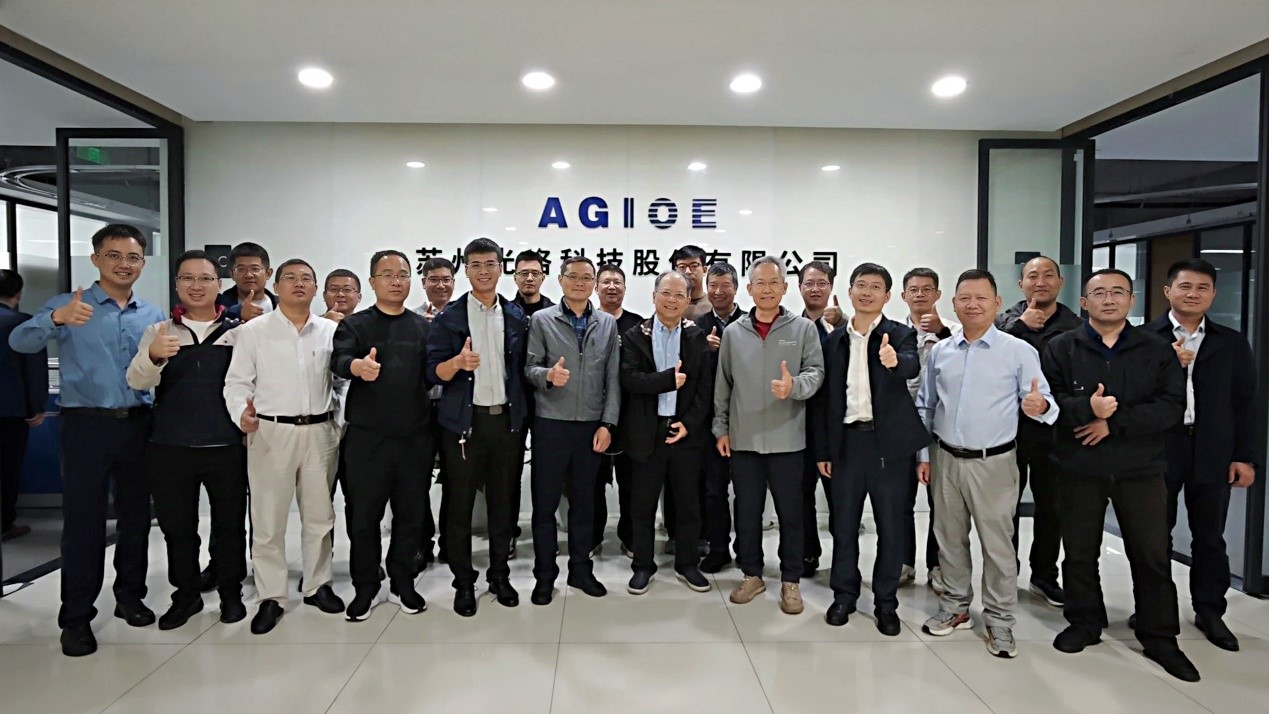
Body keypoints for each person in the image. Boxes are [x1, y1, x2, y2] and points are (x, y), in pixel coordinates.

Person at [10, 224, 165, 657]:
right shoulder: (69, 305)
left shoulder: (152, 314)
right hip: (85, 427)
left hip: (139, 424)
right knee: (84, 523)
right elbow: (20, 341)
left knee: (136, 518)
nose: (123, 264)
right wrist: (55, 319)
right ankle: (76, 617)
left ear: (142, 263)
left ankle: (129, 597)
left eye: (132, 257)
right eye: (113, 255)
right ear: (96, 259)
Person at [1042, 268, 1198, 682]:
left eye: (1117, 292)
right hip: (1078, 467)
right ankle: (1084, 622)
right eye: (1099, 293)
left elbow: (1171, 406)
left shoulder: (1156, 348)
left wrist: (1114, 423)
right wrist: (1087, 410)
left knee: (1151, 554)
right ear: (1084, 302)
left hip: (1140, 468)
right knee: (1079, 552)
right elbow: (1049, 402)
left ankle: (1159, 635)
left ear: (1132, 300)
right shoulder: (1062, 347)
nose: (1108, 300)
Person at [916, 269, 1057, 660]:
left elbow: (1044, 401)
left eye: (981, 298)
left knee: (997, 546)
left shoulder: (1017, 351)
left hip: (993, 462)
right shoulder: (941, 351)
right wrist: (924, 456)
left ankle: (1000, 619)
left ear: (997, 303)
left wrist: (1040, 406)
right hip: (945, 458)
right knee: (949, 539)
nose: (972, 305)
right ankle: (955, 605)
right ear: (954, 304)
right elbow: (926, 405)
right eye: (964, 298)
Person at [126, 250, 247, 629]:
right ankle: (187, 595)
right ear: (177, 284)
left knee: (229, 526)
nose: (197, 286)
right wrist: (153, 356)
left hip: (227, 446)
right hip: (170, 446)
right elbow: (137, 381)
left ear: (219, 285)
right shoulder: (160, 332)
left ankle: (231, 592)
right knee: (178, 529)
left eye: (205, 278)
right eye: (188, 278)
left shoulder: (239, 332)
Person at [223, 258, 344, 635]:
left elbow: (342, 382)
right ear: (276, 286)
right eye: (290, 278)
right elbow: (236, 383)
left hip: (320, 431)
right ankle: (271, 596)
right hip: (270, 432)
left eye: (307, 278)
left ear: (316, 288)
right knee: (268, 519)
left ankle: (318, 585)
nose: (298, 283)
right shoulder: (254, 331)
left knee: (320, 515)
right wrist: (240, 414)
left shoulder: (331, 331)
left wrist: (339, 422)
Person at [1145, 259, 1258, 652]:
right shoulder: (1145, 339)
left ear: (1212, 294)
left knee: (1209, 537)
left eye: (1202, 287)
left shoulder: (1231, 342)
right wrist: (1168, 365)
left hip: (1213, 449)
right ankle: (1155, 611)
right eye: (1185, 286)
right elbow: (1133, 394)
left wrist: (1245, 457)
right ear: (1168, 291)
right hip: (1160, 449)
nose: (1193, 294)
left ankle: (1210, 611)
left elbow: (1246, 403)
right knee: (1153, 536)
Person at [813, 263, 926, 635]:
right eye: (860, 285)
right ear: (849, 292)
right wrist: (824, 451)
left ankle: (886, 603)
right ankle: (844, 595)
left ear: (887, 296)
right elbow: (824, 400)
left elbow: (910, 365)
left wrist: (895, 362)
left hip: (889, 446)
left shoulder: (901, 334)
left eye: (875, 287)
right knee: (844, 526)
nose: (866, 292)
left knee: (891, 528)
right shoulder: (833, 341)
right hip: (847, 443)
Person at [714, 255, 824, 615]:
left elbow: (816, 373)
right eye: (759, 283)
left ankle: (791, 580)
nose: (767, 289)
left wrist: (794, 387)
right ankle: (752, 574)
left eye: (773, 282)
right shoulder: (734, 333)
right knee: (746, 512)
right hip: (744, 439)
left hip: (787, 439)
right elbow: (723, 385)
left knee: (792, 513)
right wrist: (721, 428)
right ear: (749, 289)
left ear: (785, 287)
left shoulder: (803, 329)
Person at [426, 238, 528, 617]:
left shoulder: (516, 316)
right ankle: (464, 582)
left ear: (501, 268)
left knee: (503, 505)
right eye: (475, 265)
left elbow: (523, 371)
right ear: (465, 270)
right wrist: (456, 364)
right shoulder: (449, 318)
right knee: (460, 507)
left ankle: (499, 575)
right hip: (463, 427)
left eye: (490, 264)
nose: (483, 272)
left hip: (505, 424)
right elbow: (431, 371)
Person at [332, 250, 431, 620]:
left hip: (414, 438)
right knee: (363, 518)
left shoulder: (423, 328)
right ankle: (366, 586)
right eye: (387, 274)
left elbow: (433, 374)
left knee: (411, 515)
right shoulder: (355, 325)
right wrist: (357, 366)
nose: (396, 281)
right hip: (367, 439)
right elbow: (338, 360)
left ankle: (403, 582)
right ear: (372, 282)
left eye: (402, 274)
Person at [525, 255, 621, 604]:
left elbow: (612, 379)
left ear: (594, 283)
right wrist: (548, 376)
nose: (580, 282)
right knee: (545, 506)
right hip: (551, 424)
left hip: (590, 427)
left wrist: (608, 423)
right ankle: (544, 576)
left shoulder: (606, 324)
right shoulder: (542, 320)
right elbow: (529, 369)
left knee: (584, 504)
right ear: (561, 280)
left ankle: (581, 570)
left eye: (586, 277)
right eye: (573, 276)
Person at [995, 255, 1082, 608]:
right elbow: (989, 357)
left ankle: (1044, 576)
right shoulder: (1003, 322)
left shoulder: (1075, 325)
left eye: (1048, 275)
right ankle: (1006, 575)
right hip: (1009, 431)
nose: (1040, 282)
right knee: (1005, 509)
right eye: (1033, 276)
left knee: (1052, 508)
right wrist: (1021, 327)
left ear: (1061, 282)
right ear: (1021, 284)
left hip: (1055, 431)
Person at [621, 271, 714, 594]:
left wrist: (689, 423)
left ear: (688, 300)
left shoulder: (696, 337)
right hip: (646, 432)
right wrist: (666, 381)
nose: (671, 300)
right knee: (642, 506)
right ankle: (642, 566)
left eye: (679, 295)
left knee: (688, 504)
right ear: (654, 296)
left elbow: (705, 388)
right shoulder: (635, 335)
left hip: (685, 432)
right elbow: (629, 379)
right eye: (666, 293)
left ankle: (688, 564)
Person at [900, 267, 956, 592]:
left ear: (937, 294)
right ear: (903, 295)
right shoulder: (893, 333)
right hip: (902, 428)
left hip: (942, 429)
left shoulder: (956, 332)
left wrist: (942, 332)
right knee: (900, 500)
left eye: (926, 289)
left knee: (941, 503)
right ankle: (903, 562)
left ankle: (937, 565)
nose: (920, 294)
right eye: (914, 289)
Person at [696, 262, 744, 573]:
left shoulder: (750, 322)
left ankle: (746, 549)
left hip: (746, 418)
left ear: (736, 288)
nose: (718, 291)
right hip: (710, 422)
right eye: (713, 285)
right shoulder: (697, 325)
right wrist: (703, 350)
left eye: (725, 285)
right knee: (713, 490)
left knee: (747, 492)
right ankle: (718, 548)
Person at [594, 263, 645, 556]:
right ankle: (592, 537)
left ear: (625, 288)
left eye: (617, 282)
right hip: (594, 416)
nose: (612, 287)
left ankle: (631, 538)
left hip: (630, 417)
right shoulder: (588, 322)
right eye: (606, 282)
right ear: (596, 287)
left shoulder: (639, 325)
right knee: (592, 482)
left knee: (632, 484)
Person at [797, 260, 841, 577]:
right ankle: (807, 555)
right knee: (800, 498)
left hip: (834, 429)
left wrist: (838, 325)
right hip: (798, 426)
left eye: (821, 282)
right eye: (809, 283)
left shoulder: (845, 328)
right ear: (799, 288)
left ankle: (844, 560)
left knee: (840, 499)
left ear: (831, 287)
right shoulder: (788, 327)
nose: (815, 289)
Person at [511, 250, 556, 553]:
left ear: (543, 277)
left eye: (535, 273)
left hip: (547, 403)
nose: (529, 278)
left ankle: (545, 534)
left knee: (546, 473)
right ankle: (509, 530)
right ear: (514, 276)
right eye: (523, 273)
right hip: (513, 402)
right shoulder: (503, 311)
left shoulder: (554, 312)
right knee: (509, 472)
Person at [0, 269, 48, 542]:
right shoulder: (22, 324)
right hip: (10, 409)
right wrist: (36, 406)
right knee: (7, 467)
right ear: (18, 294)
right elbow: (34, 369)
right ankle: (4, 523)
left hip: (10, 407)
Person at [414, 256, 456, 569]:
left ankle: (451, 543)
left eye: (446, 279)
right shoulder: (411, 320)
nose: (440, 285)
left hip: (454, 410)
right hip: (420, 410)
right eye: (434, 279)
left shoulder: (462, 317)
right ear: (424, 282)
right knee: (416, 481)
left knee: (455, 480)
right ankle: (421, 543)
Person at [217, 241, 277, 321]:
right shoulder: (216, 304)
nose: (248, 275)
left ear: (268, 273)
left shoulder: (283, 305)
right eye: (241, 269)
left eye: (255, 269)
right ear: (232, 274)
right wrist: (238, 312)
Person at [671, 245, 713, 320]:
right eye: (682, 267)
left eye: (694, 266)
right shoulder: (669, 304)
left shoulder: (714, 306)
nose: (688, 271)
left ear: (704, 270)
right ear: (676, 271)